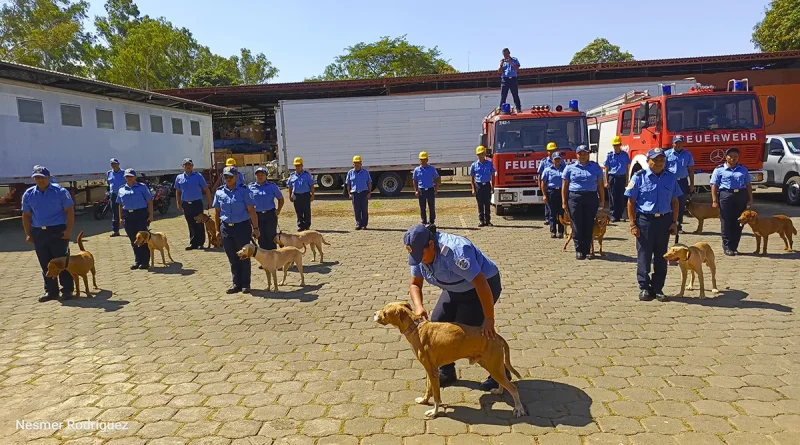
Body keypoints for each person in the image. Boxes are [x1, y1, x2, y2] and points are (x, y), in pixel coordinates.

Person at [404, 223, 508, 391]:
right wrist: (418, 307)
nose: (418, 260)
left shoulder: (455, 252)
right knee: (438, 321)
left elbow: (481, 284)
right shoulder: (418, 253)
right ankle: (447, 371)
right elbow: (415, 284)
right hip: (455, 289)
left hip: (482, 287)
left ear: (431, 245)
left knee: (466, 331)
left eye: (420, 255)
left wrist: (489, 319)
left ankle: (500, 374)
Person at [625, 148, 682, 302]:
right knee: (644, 255)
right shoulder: (639, 177)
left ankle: (658, 288)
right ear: (648, 161)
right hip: (645, 221)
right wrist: (632, 224)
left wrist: (675, 223)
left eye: (661, 160)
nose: (658, 163)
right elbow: (631, 202)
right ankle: (644, 287)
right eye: (655, 160)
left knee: (662, 256)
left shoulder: (670, 178)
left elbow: (675, 201)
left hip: (664, 221)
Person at [21, 165, 75, 301]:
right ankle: (51, 291)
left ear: (49, 178)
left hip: (57, 230)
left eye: (42, 177)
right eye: (36, 178)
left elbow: (69, 211)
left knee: (61, 261)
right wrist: (28, 233)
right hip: (39, 232)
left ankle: (67, 289)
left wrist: (68, 230)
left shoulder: (60, 191)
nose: (40, 180)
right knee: (45, 262)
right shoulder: (29, 194)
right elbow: (26, 215)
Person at [214, 166, 259, 294]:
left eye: (230, 177)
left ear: (236, 177)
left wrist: (255, 228)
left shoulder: (244, 191)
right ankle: (236, 284)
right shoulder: (219, 192)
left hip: (242, 227)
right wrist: (217, 230)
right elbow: (217, 212)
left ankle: (246, 284)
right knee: (232, 257)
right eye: (226, 177)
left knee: (244, 256)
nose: (228, 179)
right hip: (226, 228)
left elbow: (252, 211)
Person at [561, 145, 605, 260]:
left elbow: (600, 185)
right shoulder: (570, 168)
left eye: (585, 153)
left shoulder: (596, 168)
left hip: (591, 197)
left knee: (588, 223)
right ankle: (579, 249)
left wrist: (602, 200)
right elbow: (564, 186)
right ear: (577, 155)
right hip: (575, 197)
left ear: (588, 155)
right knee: (577, 223)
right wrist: (564, 202)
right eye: (580, 154)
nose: (582, 156)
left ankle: (587, 249)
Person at [710, 148, 753, 256]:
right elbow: (714, 185)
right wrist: (714, 200)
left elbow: (748, 185)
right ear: (726, 157)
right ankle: (727, 246)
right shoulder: (719, 170)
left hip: (741, 195)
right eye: (731, 156)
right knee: (726, 221)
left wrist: (750, 199)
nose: (733, 158)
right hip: (726, 195)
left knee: (739, 221)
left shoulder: (743, 169)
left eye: (736, 156)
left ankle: (734, 247)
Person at [117, 168, 154, 270]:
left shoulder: (142, 187)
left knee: (143, 239)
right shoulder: (121, 189)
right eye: (127, 176)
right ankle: (137, 261)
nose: (129, 178)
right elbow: (120, 204)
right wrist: (120, 218)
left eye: (131, 176)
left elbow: (149, 201)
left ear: (135, 177)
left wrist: (151, 215)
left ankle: (145, 261)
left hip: (140, 215)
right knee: (133, 240)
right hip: (128, 216)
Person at [175, 158, 213, 250]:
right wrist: (178, 203)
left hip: (197, 203)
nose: (188, 166)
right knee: (190, 223)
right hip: (186, 204)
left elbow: (206, 189)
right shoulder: (179, 178)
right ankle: (193, 243)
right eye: (186, 165)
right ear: (183, 166)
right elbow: (178, 191)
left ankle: (200, 243)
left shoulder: (198, 176)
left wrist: (210, 202)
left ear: (192, 166)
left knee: (199, 223)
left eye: (190, 165)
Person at [665, 135, 695, 234]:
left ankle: (678, 226)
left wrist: (691, 184)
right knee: (668, 203)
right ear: (672, 143)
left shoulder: (688, 155)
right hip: (670, 181)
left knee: (681, 204)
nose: (678, 145)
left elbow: (691, 170)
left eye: (680, 143)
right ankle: (667, 225)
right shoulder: (666, 154)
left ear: (683, 144)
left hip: (682, 181)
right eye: (676, 143)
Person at [249, 166, 284, 251]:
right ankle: (265, 261)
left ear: (266, 176)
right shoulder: (250, 188)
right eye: (258, 175)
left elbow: (280, 199)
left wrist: (278, 210)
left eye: (262, 175)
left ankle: (274, 260)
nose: (260, 177)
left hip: (270, 214)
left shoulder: (272, 186)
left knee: (271, 235)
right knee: (260, 237)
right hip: (257, 215)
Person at [602, 136, 631, 222]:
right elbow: (606, 168)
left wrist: (627, 180)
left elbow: (627, 168)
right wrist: (606, 181)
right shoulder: (610, 155)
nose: (616, 147)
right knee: (612, 197)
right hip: (612, 177)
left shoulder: (625, 155)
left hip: (621, 178)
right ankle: (613, 215)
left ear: (620, 145)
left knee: (621, 197)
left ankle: (620, 215)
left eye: (617, 145)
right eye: (614, 145)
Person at [540, 152, 566, 238]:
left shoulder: (565, 169)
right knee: (552, 212)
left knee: (561, 212)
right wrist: (544, 195)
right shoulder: (547, 170)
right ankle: (553, 231)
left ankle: (561, 231)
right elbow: (543, 183)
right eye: (555, 159)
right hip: (551, 192)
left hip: (561, 192)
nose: (557, 160)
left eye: (559, 159)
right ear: (552, 160)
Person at [469, 146, 496, 227]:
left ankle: (488, 221)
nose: (480, 156)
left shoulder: (490, 164)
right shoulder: (474, 165)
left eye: (482, 154)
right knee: (480, 204)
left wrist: (493, 186)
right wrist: (473, 188)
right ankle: (481, 221)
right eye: (479, 154)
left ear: (485, 154)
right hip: (479, 186)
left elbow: (493, 175)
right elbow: (472, 177)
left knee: (487, 204)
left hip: (487, 185)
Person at [287, 157, 315, 231]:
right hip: (296, 195)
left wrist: (312, 195)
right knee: (298, 211)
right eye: (296, 165)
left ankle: (307, 225)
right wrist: (290, 196)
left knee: (306, 211)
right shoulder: (292, 176)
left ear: (302, 165)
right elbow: (290, 187)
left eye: (299, 165)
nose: (298, 167)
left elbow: (312, 185)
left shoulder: (307, 175)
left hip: (305, 195)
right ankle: (300, 225)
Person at [413, 151, 440, 225]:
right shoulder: (417, 170)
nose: (423, 161)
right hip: (421, 190)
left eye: (424, 159)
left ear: (427, 160)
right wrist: (416, 191)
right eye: (421, 159)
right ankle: (424, 221)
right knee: (422, 207)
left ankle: (432, 221)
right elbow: (414, 180)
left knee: (431, 207)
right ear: (419, 160)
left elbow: (437, 178)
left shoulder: (432, 169)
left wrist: (436, 189)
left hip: (430, 190)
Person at [346, 155, 372, 230]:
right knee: (357, 209)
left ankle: (364, 224)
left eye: (358, 162)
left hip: (364, 193)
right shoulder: (350, 173)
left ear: (361, 163)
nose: (356, 164)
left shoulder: (365, 172)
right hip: (355, 194)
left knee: (364, 209)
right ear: (353, 164)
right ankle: (358, 224)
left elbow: (369, 183)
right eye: (355, 163)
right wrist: (349, 193)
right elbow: (348, 184)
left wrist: (369, 192)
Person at [538, 143, 559, 225]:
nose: (553, 152)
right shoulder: (544, 162)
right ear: (548, 152)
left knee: (555, 204)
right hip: (547, 185)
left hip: (556, 185)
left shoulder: (560, 160)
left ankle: (555, 218)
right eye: (551, 151)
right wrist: (540, 185)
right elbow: (540, 174)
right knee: (547, 203)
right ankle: (548, 218)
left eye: (554, 150)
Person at [106, 158, 125, 237]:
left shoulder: (123, 173)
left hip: (123, 195)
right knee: (115, 213)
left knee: (125, 212)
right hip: (113, 195)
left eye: (115, 163)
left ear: (118, 164)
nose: (114, 165)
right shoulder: (109, 173)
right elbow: (108, 183)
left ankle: (129, 228)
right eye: (112, 164)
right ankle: (115, 231)